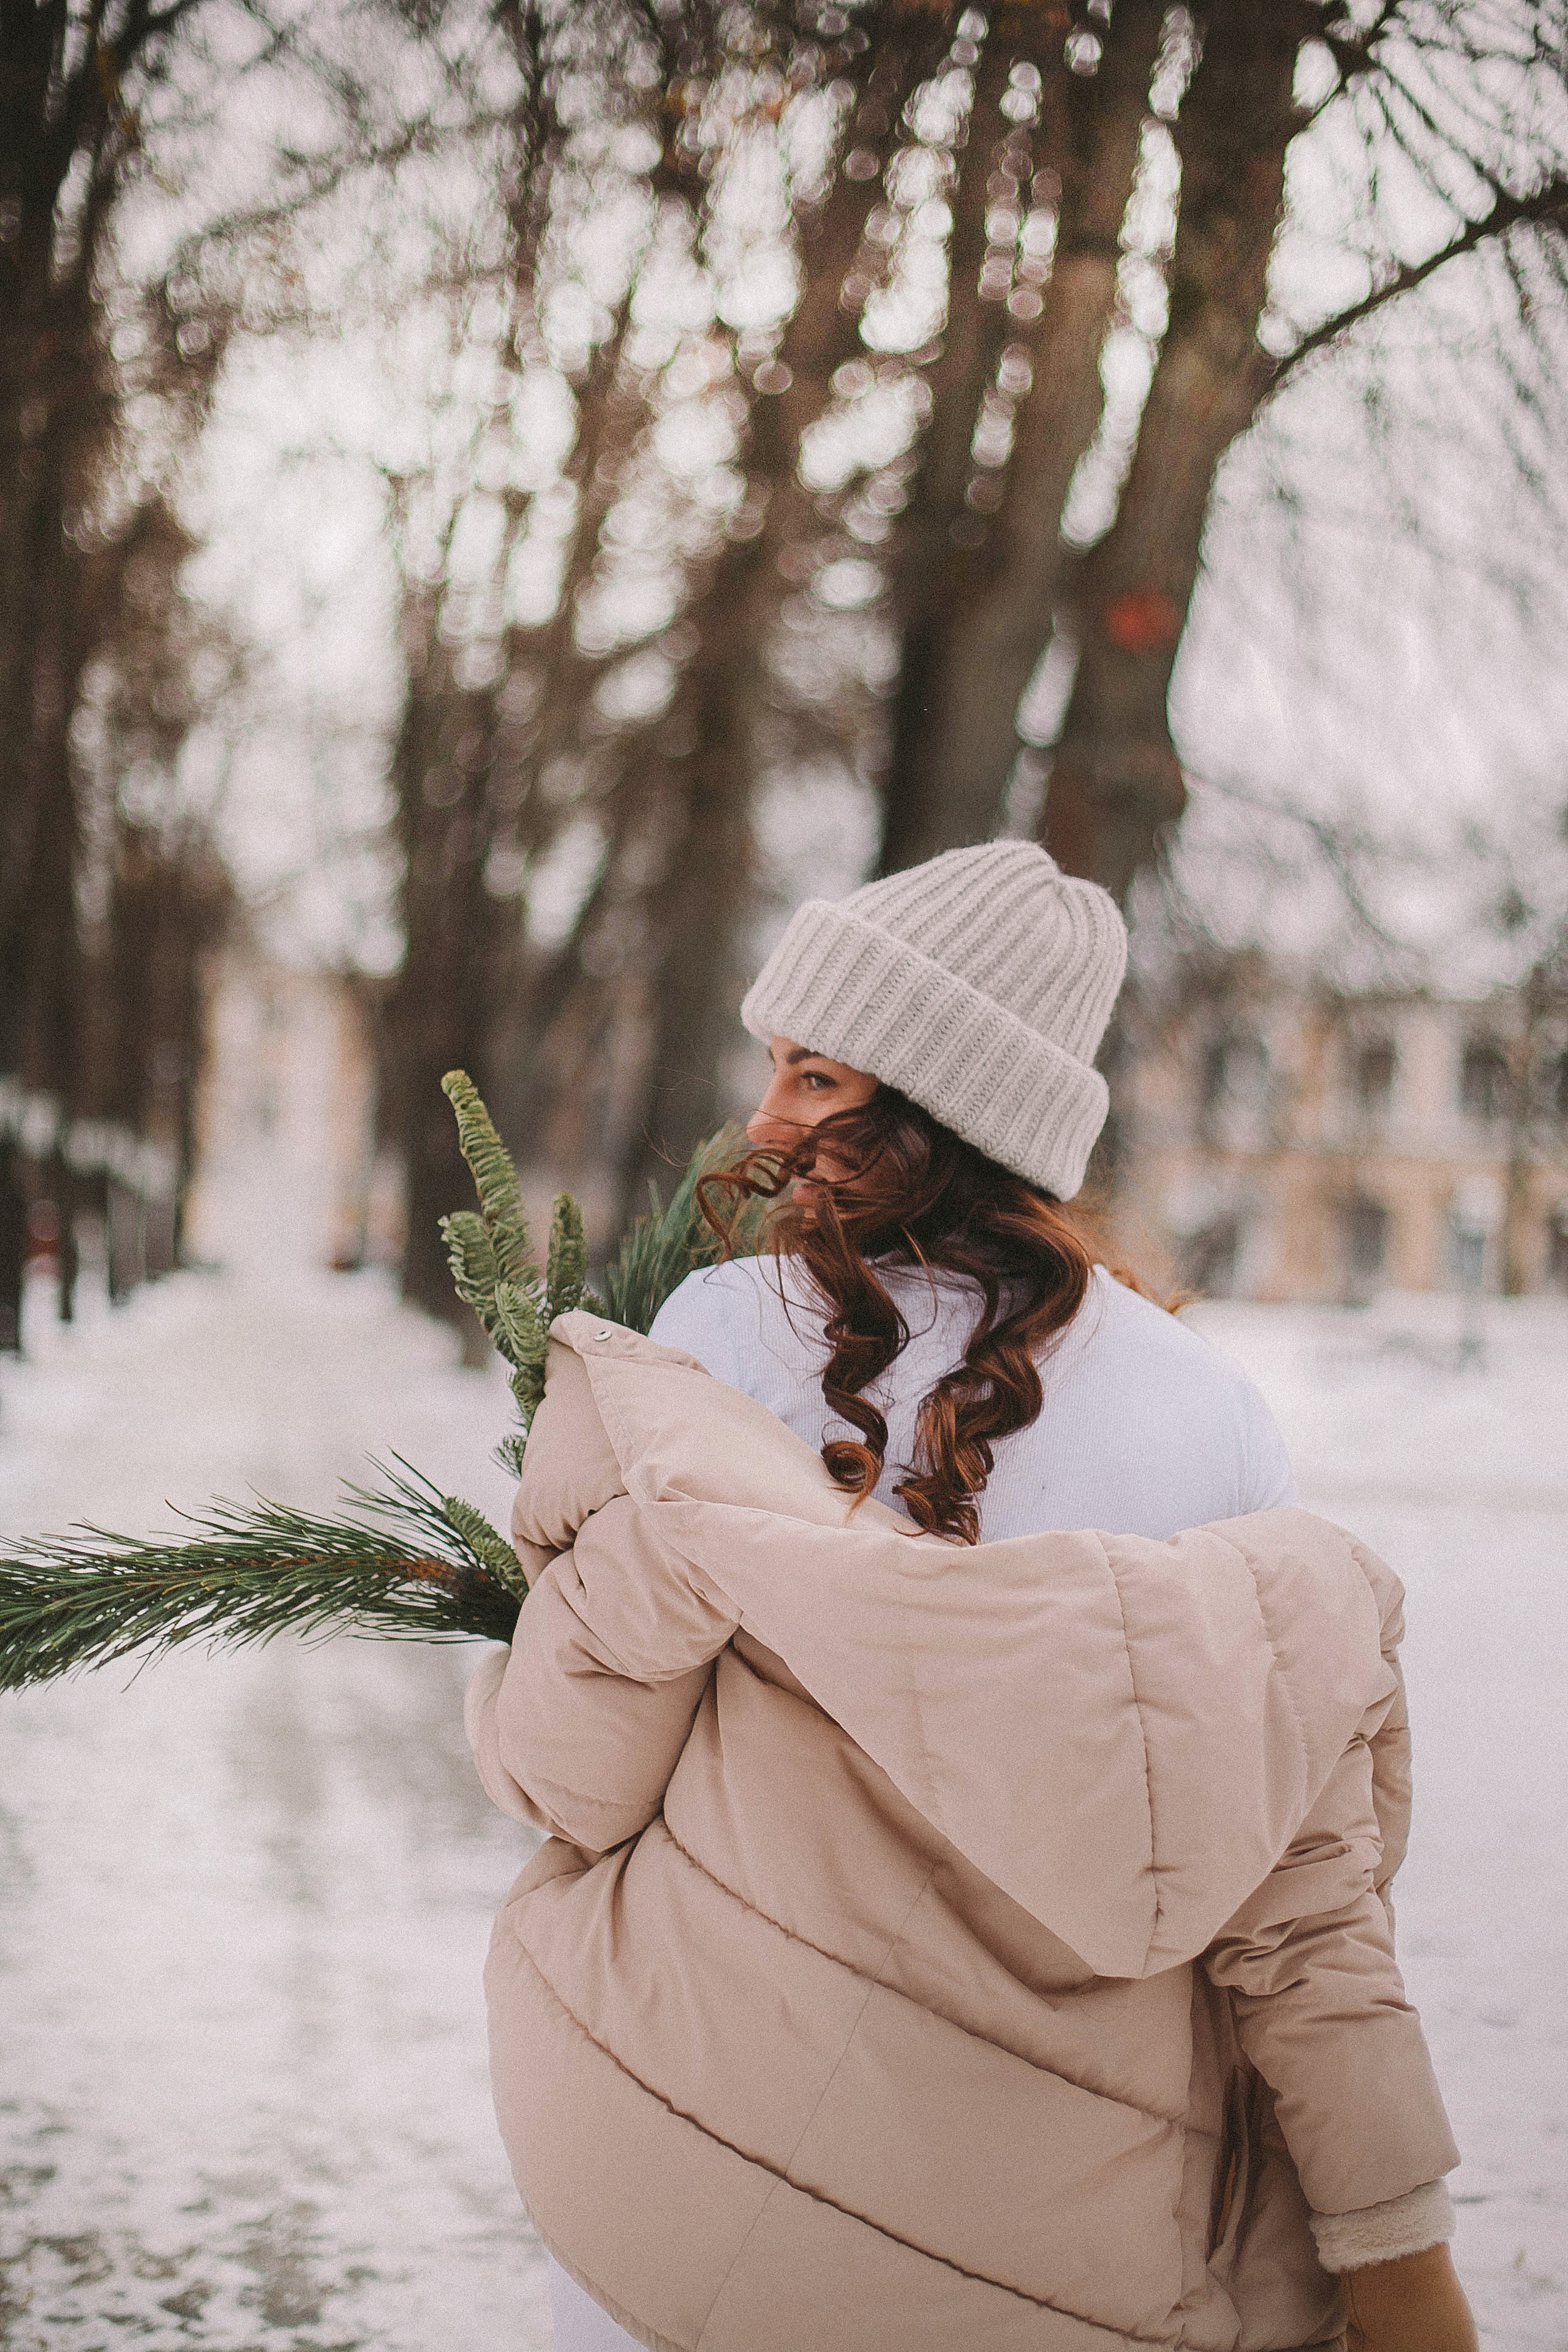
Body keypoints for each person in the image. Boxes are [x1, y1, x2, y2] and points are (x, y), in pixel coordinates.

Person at [467, 842, 1478, 2352]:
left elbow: (574, 1779)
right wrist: (1395, 2251)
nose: (762, 1119)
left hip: (684, 2178)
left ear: (931, 1101)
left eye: (814, 1076)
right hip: (1055, 2249)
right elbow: (1295, 1902)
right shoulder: (1207, 1414)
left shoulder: (716, 1341)